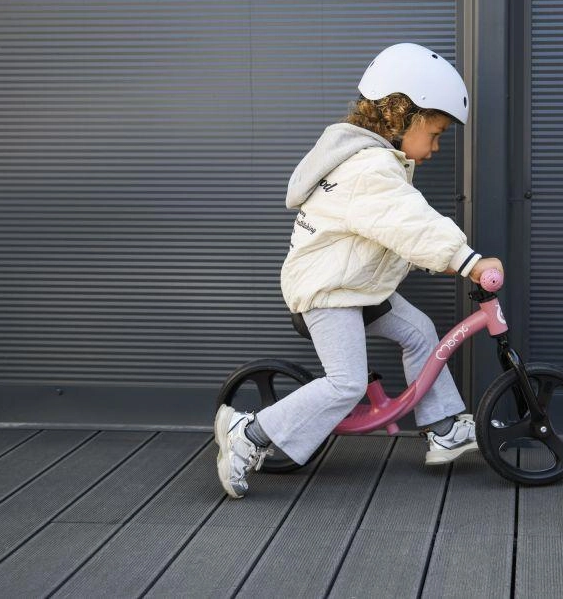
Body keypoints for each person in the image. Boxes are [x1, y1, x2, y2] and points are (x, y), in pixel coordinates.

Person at [214, 43, 504, 498]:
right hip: (329, 292)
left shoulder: (368, 161)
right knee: (346, 383)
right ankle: (249, 433)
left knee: (419, 332)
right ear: (404, 115)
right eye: (435, 133)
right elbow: (408, 221)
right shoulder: (369, 169)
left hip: (355, 286)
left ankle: (444, 427)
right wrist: (466, 260)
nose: (434, 148)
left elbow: (389, 230)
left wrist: (441, 260)